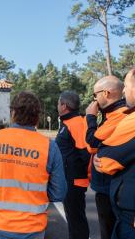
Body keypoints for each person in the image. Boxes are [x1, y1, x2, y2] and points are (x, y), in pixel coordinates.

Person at [0, 91, 67, 239]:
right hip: (33, 228)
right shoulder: (49, 147)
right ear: (37, 118)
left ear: (13, 113)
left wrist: (2, 191)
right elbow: (59, 192)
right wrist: (34, 195)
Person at [94, 68, 135, 239]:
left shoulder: (127, 118)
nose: (124, 91)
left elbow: (103, 156)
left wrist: (90, 117)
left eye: (127, 85)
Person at [85, 76, 127, 239]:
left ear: (106, 93)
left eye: (95, 95)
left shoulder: (119, 114)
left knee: (109, 232)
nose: (94, 99)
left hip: (109, 188)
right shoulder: (113, 113)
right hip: (109, 186)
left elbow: (92, 143)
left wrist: (90, 117)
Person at [56, 91, 90, 239]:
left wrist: (86, 177)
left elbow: (85, 153)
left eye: (58, 103)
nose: (57, 106)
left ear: (64, 106)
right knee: (74, 218)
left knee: (76, 220)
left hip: (74, 181)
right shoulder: (68, 122)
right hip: (69, 179)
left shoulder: (76, 123)